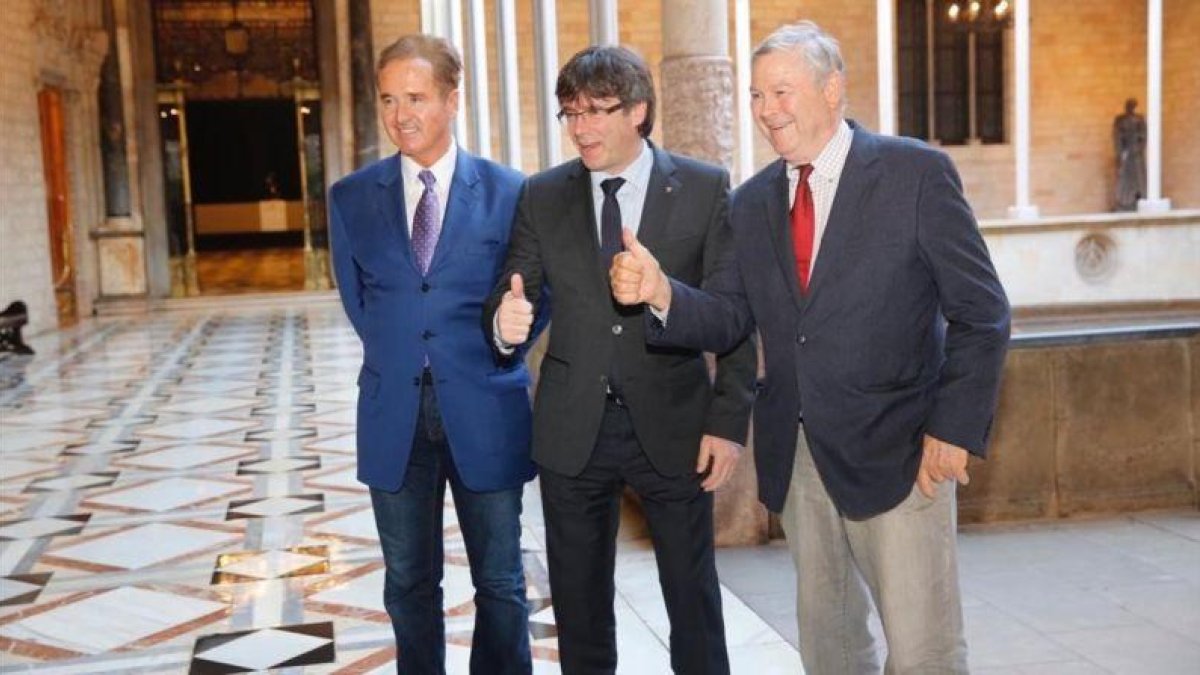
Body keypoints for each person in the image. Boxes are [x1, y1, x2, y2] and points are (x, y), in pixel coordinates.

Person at [610, 21, 1010, 674]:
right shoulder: (751, 203)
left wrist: (953, 426)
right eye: (758, 96)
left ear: (832, 89)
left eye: (782, 92)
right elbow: (730, 315)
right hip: (798, 459)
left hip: (903, 452)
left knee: (923, 652)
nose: (768, 111)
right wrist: (662, 293)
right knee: (831, 649)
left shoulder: (915, 175)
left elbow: (983, 311)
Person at [484, 45, 756, 674]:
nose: (581, 128)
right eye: (570, 113)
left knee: (693, 604)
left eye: (597, 111)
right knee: (579, 613)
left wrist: (726, 423)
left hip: (675, 427)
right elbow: (512, 289)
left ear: (638, 111)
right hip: (572, 432)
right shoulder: (543, 194)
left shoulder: (705, 187)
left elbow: (735, 318)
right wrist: (504, 323)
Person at [328, 34, 541, 674]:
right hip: (394, 414)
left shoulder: (511, 192)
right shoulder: (350, 197)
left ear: (453, 99)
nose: (401, 115)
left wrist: (506, 336)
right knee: (407, 586)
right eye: (389, 99)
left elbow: (535, 298)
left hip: (486, 406)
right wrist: (407, 356)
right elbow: (361, 303)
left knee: (501, 585)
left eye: (416, 97)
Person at [1113, 97, 1147, 211]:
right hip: (1126, 152)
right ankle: (1124, 201)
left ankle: (1140, 196)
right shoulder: (1120, 119)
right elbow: (1117, 136)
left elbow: (1143, 135)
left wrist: (1139, 147)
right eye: (1129, 105)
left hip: (1136, 153)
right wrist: (1120, 152)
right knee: (1124, 177)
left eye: (1132, 106)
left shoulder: (1139, 119)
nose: (1130, 108)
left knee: (1139, 176)